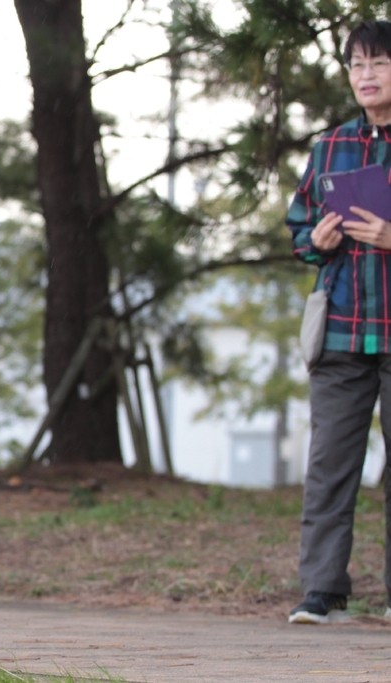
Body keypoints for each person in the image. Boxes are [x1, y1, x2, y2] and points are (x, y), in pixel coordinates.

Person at [286, 20, 391, 624]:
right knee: (329, 467)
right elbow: (299, 228)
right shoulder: (330, 147)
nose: (367, 75)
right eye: (357, 65)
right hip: (343, 331)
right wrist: (319, 239)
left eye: (378, 62)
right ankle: (322, 591)